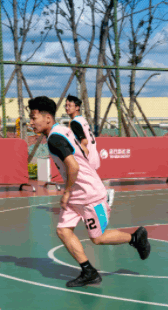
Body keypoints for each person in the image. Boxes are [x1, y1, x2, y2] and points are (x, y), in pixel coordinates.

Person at [28, 96, 151, 288]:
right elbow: (82, 150)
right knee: (63, 230)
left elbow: (74, 166)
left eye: (34, 118)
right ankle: (89, 272)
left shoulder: (55, 139)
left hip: (89, 193)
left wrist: (66, 192)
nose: (31, 122)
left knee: (98, 238)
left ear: (48, 118)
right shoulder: (63, 129)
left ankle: (135, 238)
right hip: (77, 191)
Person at [64, 95, 115, 207]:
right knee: (89, 184)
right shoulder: (82, 120)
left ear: (77, 107)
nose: (67, 108)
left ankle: (104, 196)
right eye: (66, 105)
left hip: (87, 158)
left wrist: (81, 155)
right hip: (93, 155)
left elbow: (84, 141)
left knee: (86, 185)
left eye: (69, 105)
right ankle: (95, 201)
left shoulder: (74, 122)